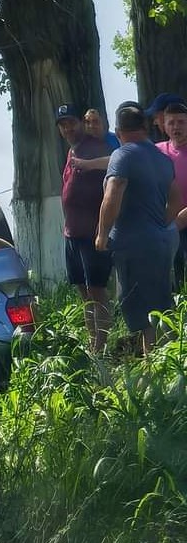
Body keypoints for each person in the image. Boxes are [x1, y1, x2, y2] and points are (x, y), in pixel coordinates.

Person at [96, 102, 182, 355]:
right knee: (160, 304)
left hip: (133, 244)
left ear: (118, 131)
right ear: (145, 127)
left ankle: (153, 364)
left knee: (140, 310)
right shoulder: (163, 159)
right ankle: (165, 362)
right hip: (160, 242)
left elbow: (114, 191)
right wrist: (160, 222)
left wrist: (102, 234)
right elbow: (176, 198)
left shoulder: (122, 155)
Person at [55, 103, 113, 352]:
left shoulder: (96, 146)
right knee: (82, 291)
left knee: (96, 290)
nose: (67, 128)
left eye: (71, 122)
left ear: (81, 122)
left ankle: (102, 346)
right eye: (62, 125)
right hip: (72, 233)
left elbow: (116, 166)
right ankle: (92, 344)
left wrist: (103, 227)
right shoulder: (72, 151)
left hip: (92, 232)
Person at [157, 101, 187, 288]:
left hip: (181, 221)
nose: (176, 127)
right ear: (164, 125)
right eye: (171, 122)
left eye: (181, 122)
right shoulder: (156, 151)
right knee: (174, 280)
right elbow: (123, 159)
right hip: (167, 223)